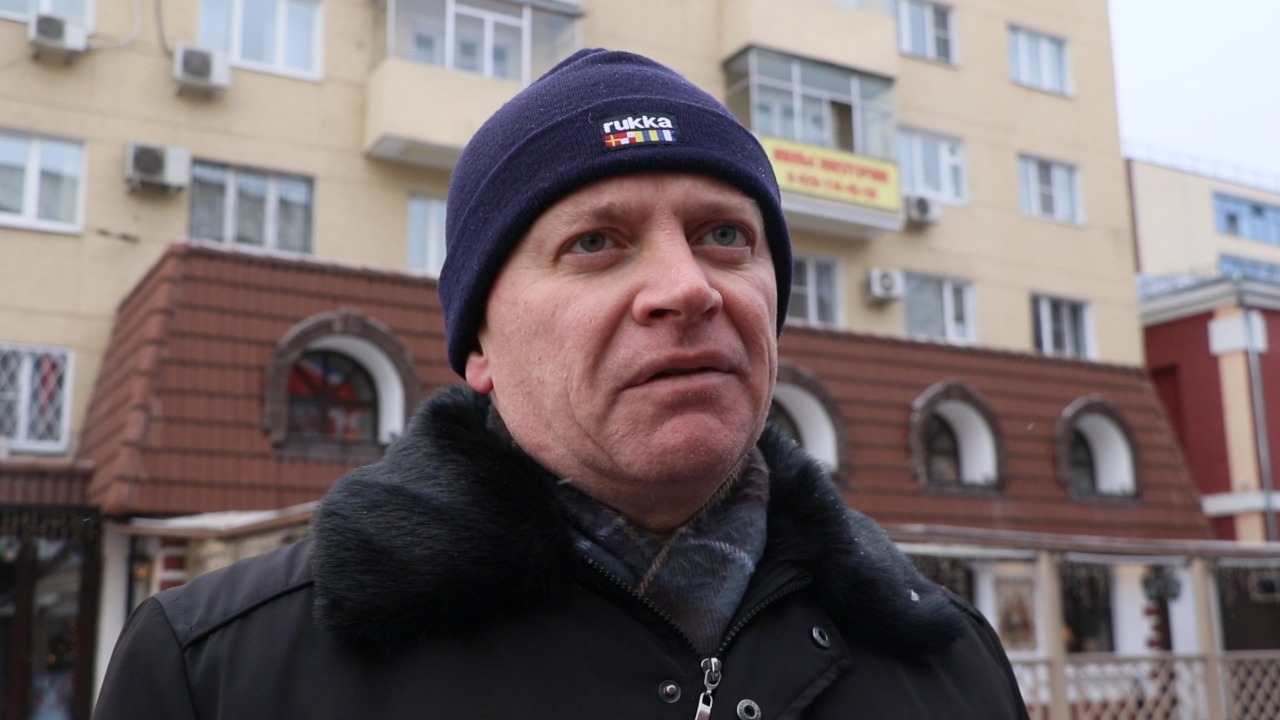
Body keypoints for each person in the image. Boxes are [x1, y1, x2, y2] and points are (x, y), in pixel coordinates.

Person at [93, 48, 1031, 719]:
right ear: (481, 346)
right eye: (595, 243)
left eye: (724, 236)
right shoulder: (219, 671)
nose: (687, 288)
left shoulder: (947, 658)